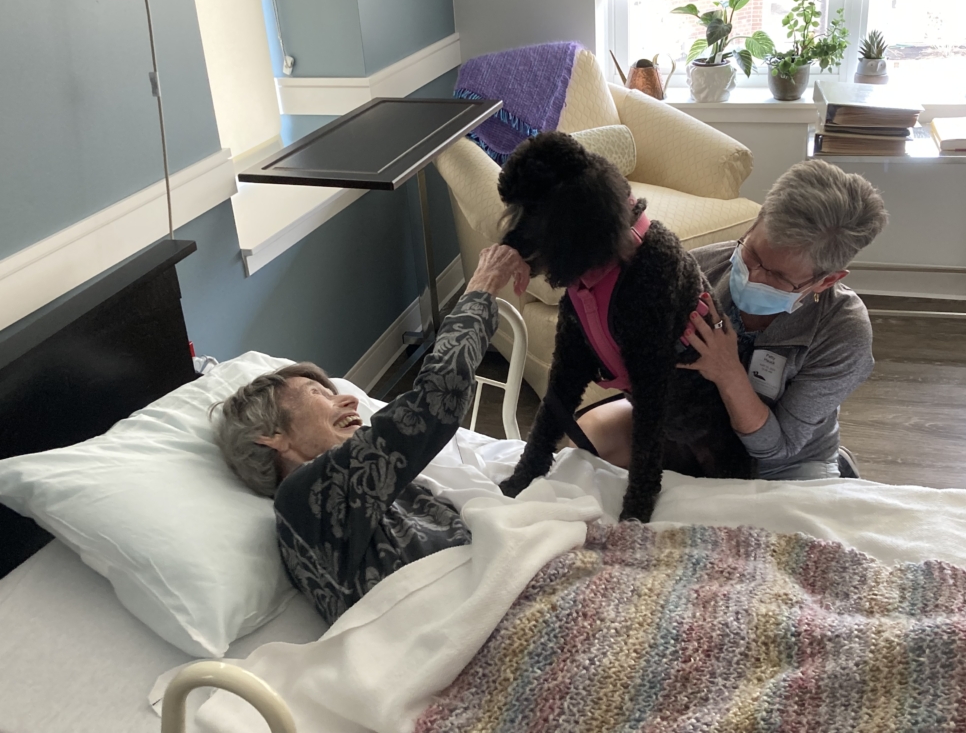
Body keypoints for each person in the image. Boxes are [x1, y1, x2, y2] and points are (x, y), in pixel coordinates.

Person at [213, 245, 530, 625]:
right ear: (272, 435)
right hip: (482, 631)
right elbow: (437, 396)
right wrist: (482, 286)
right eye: (318, 395)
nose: (348, 399)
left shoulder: (378, 489)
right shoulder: (303, 500)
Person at [577, 159, 889, 481]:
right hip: (688, 427)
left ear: (826, 280)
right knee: (586, 439)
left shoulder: (843, 332)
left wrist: (728, 372)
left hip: (781, 459)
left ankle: (835, 467)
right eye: (752, 254)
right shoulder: (698, 268)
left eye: (778, 277)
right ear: (755, 223)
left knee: (772, 526)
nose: (753, 276)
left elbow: (778, 447)